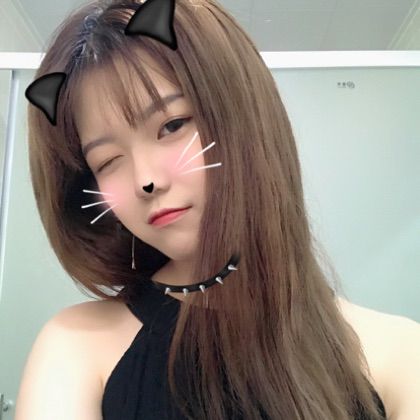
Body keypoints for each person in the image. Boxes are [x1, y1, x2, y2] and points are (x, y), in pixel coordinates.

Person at [16, 0, 409, 418]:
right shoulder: (77, 346)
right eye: (107, 161)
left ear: (246, 116)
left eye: (172, 126)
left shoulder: (396, 352)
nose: (146, 180)